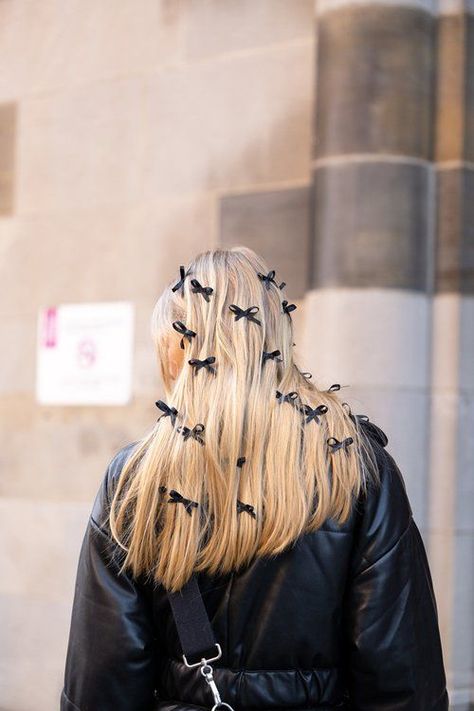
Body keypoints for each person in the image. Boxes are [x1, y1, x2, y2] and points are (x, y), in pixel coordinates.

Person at [60, 246, 449, 710]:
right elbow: (401, 676)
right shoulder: (356, 468)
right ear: (279, 334)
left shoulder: (136, 480)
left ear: (181, 348)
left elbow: (103, 683)